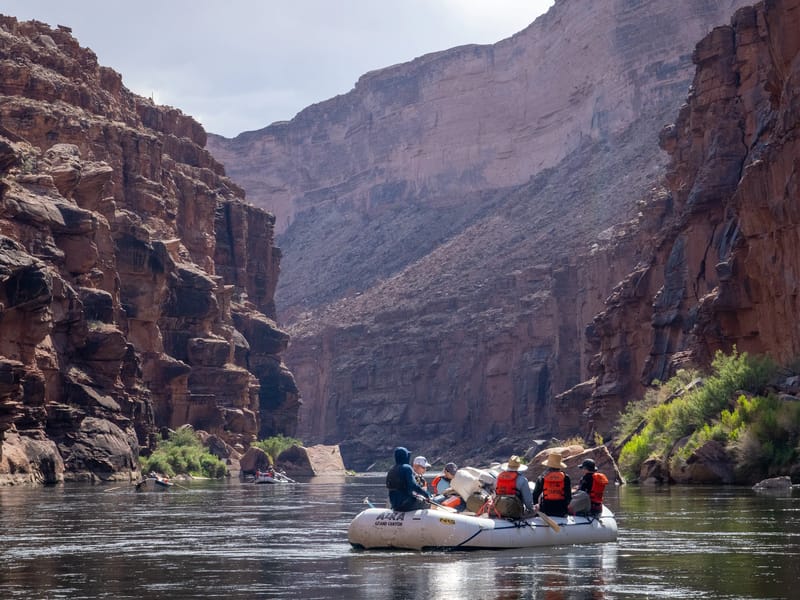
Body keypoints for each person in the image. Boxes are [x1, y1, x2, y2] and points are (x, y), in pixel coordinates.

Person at [493, 455, 534, 519]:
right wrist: (531, 510)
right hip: (514, 512)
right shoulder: (522, 479)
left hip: (498, 509)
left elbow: (495, 492)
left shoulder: (499, 477)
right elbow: (527, 500)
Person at [531, 452, 572, 517]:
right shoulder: (566, 478)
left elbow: (535, 494)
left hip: (546, 510)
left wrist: (536, 505)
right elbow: (568, 496)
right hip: (561, 510)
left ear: (549, 465)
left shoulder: (542, 477)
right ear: (559, 466)